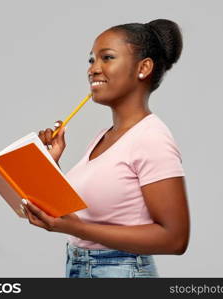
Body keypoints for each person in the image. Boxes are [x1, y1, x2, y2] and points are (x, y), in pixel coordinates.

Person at [20, 19, 190, 278]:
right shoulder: (104, 138)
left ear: (143, 68)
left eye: (107, 58)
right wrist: (50, 164)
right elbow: (84, 210)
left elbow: (174, 239)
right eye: (91, 60)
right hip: (81, 268)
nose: (93, 69)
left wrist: (77, 229)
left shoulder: (151, 138)